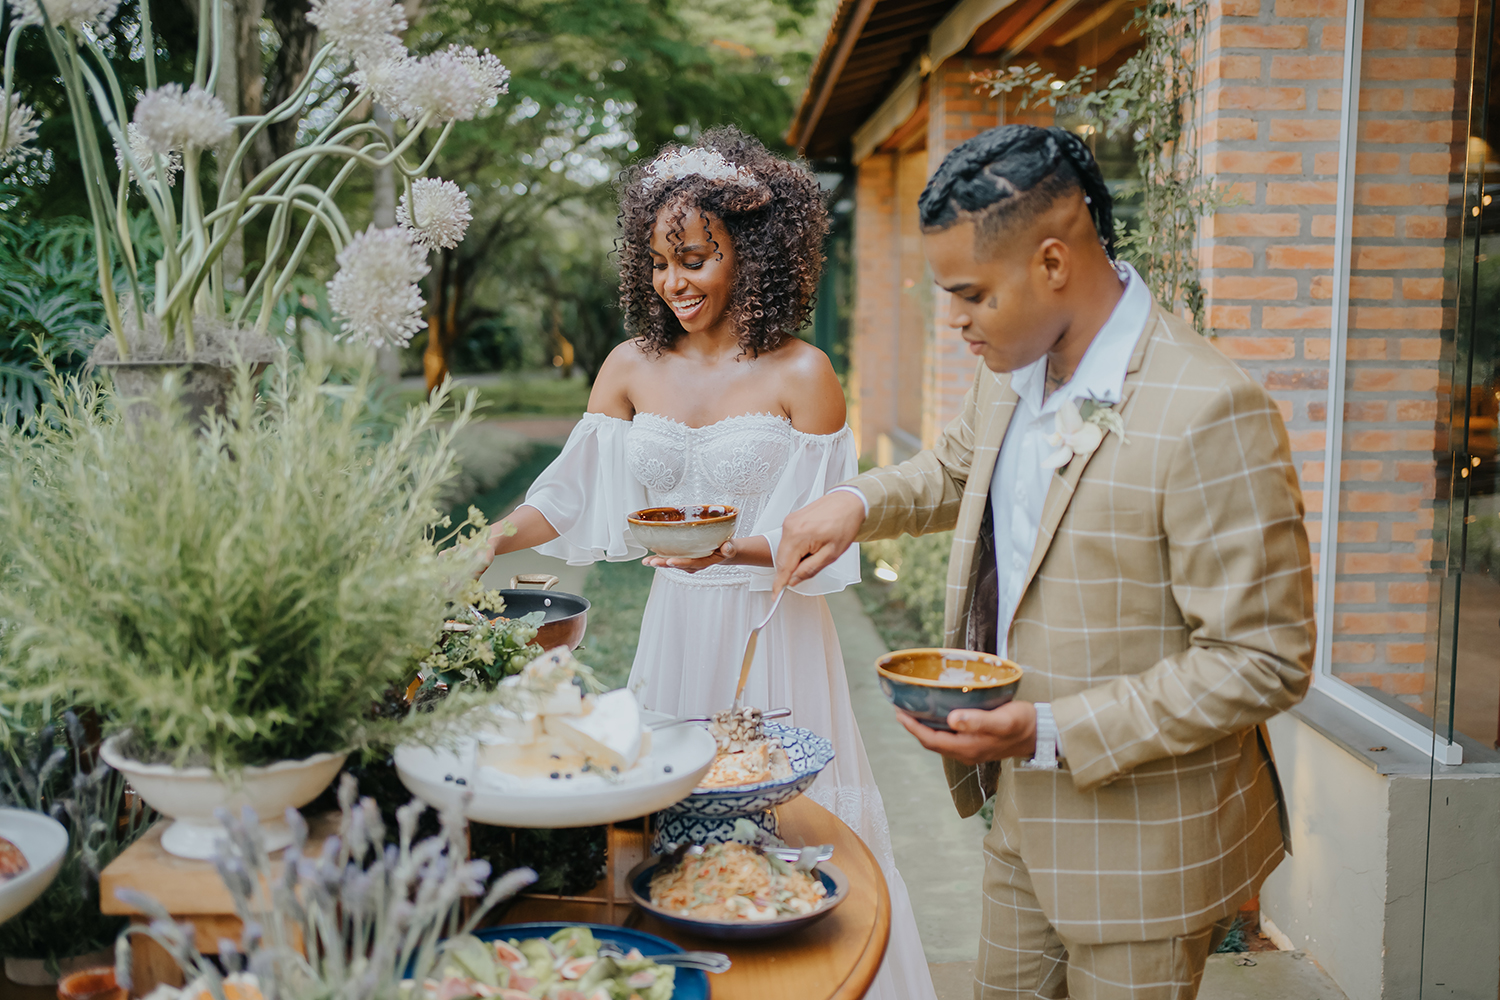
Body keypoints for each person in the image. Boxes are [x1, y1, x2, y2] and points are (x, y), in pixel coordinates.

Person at [772, 124, 1316, 999]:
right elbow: (957, 468)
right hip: (1019, 818)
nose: (953, 322)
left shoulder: (1212, 409)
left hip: (1145, 850)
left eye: (970, 295)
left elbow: (1264, 661)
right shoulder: (1013, 358)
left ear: (1054, 263)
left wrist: (1046, 730)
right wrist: (856, 502)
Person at [483, 126, 938, 1000]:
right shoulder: (627, 368)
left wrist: (739, 550)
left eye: (695, 258)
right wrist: (491, 539)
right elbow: (568, 495)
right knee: (666, 836)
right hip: (676, 627)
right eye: (659, 262)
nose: (674, 283)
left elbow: (822, 536)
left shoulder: (805, 374)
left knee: (792, 832)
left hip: (773, 628)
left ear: (752, 253)